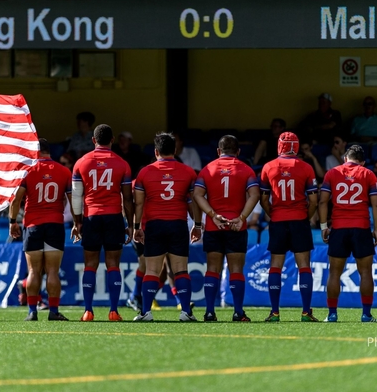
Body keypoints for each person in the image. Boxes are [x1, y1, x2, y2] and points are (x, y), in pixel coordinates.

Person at [132, 132, 202, 321]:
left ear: (156, 151)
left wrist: (136, 226)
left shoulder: (145, 172)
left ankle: (146, 312)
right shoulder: (188, 172)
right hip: (178, 225)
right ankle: (186, 312)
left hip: (154, 225)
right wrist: (197, 224)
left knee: (152, 270)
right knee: (180, 269)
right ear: (175, 150)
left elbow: (139, 203)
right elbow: (193, 201)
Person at [193, 135, 260, 322]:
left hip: (215, 226)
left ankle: (209, 312)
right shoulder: (246, 170)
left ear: (218, 151)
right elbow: (254, 195)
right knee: (236, 270)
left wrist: (213, 215)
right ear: (238, 152)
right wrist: (242, 217)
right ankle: (238, 312)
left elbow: (197, 195)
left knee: (212, 269)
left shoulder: (207, 169)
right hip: (236, 226)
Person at [71, 124, 134, 322]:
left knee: (90, 264)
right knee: (113, 264)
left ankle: (88, 311)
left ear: (93, 140)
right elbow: (127, 198)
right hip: (113, 216)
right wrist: (131, 224)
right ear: (112, 140)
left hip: (91, 217)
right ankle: (113, 311)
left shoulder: (81, 163)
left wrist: (77, 223)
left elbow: (76, 197)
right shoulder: (122, 163)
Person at [9, 138, 73, 321]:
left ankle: (32, 311)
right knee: (52, 271)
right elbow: (72, 199)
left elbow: (16, 199)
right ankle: (53, 311)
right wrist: (78, 222)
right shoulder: (64, 171)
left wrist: (12, 221)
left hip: (33, 225)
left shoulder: (28, 171)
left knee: (33, 271)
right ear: (49, 151)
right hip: (55, 224)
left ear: (35, 152)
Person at [260, 132, 320, 322]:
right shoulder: (305, 168)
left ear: (280, 146)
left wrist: (274, 214)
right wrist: (305, 217)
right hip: (299, 221)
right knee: (304, 266)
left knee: (275, 266)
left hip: (278, 220)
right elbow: (313, 200)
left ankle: (275, 312)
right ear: (296, 145)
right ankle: (305, 312)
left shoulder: (268, 167)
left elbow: (263, 199)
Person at [319, 145, 377, 323]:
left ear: (346, 158)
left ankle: (332, 314)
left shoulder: (332, 173)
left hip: (339, 228)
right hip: (361, 227)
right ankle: (366, 314)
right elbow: (376, 205)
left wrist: (324, 226)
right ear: (362, 161)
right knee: (366, 273)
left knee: (334, 274)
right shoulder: (368, 174)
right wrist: (376, 228)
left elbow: (323, 202)